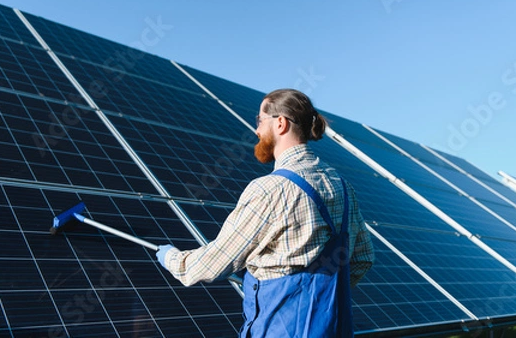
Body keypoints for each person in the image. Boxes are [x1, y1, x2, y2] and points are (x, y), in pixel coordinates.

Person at [157, 88, 374, 337]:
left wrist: (171, 258)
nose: (257, 131)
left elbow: (212, 264)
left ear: (280, 123)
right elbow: (363, 258)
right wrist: (320, 296)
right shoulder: (343, 187)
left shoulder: (271, 189)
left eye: (259, 121)